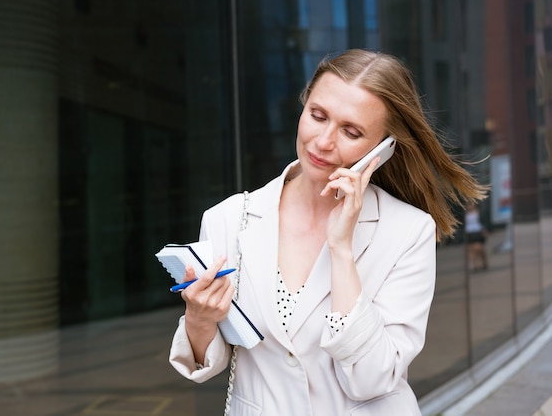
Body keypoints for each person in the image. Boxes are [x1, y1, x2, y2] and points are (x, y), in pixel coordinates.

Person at [168, 49, 487, 415]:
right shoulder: (227, 218)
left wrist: (341, 250)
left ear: (383, 149)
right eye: (317, 116)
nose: (323, 142)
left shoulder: (407, 231)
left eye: (351, 131)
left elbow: (373, 379)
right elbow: (208, 361)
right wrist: (198, 318)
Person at [465, 202, 488, 271]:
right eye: (468, 204)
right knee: (471, 249)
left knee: (479, 248)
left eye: (471, 204)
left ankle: (484, 261)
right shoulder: (465, 214)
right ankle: (474, 265)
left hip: (478, 232)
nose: (469, 206)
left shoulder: (479, 213)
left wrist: (484, 230)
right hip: (469, 233)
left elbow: (483, 221)